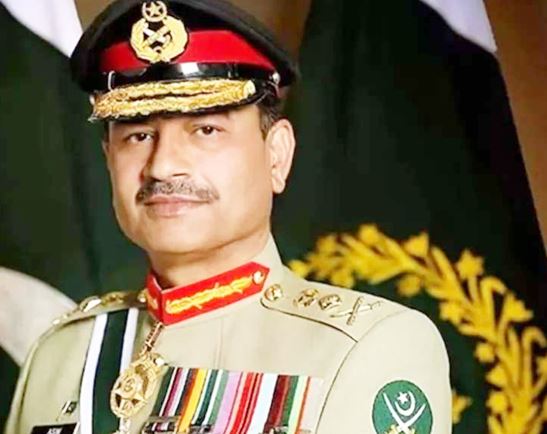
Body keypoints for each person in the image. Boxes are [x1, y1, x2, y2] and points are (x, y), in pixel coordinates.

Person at [5, 1, 451, 433]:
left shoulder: (367, 347)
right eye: (138, 135)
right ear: (108, 158)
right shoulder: (62, 353)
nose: (163, 166)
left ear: (277, 155)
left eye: (206, 130)